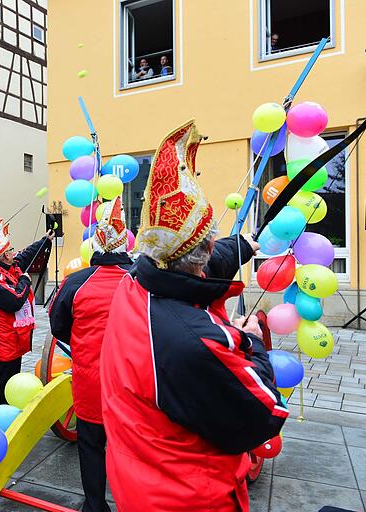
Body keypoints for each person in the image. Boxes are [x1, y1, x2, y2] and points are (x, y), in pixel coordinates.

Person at [100, 120, 287, 511]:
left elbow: (193, 266)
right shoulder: (195, 341)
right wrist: (250, 339)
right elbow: (262, 414)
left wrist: (243, 245)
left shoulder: (134, 282)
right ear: (201, 252)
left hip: (138, 479)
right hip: (188, 496)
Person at [49, 197, 133, 512]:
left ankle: (95, 506)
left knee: (92, 447)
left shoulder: (75, 282)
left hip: (90, 383)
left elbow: (58, 327)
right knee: (131, 449)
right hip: (131, 384)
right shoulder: (139, 281)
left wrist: (83, 343)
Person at [0, 219, 53, 411]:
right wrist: (24, 281)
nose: (14, 253)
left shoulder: (7, 267)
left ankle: (8, 411)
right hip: (4, 339)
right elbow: (15, 300)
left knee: (12, 377)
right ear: (4, 255)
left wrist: (44, 241)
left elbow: (26, 255)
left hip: (13, 337)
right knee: (3, 381)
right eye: (11, 250)